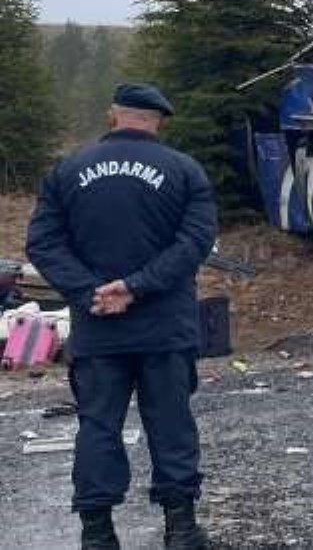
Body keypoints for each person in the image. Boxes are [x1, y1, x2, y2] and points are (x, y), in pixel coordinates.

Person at [25, 84, 217, 550]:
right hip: (165, 327)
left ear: (114, 115)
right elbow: (194, 245)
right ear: (158, 120)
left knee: (98, 425)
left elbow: (43, 243)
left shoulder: (68, 169)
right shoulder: (185, 170)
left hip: (97, 327)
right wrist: (136, 286)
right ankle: (182, 530)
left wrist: (90, 290)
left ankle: (97, 534)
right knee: (171, 424)